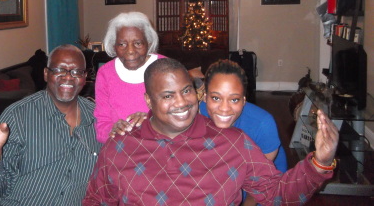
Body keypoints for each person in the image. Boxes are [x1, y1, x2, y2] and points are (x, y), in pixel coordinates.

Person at [83, 58, 339, 205]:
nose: (182, 102)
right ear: (148, 101)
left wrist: (321, 162)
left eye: (186, 91)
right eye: (168, 95)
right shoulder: (119, 148)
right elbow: (95, 200)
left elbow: (279, 193)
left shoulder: (233, 143)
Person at [0, 44, 102, 206]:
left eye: (76, 72)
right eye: (59, 70)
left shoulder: (98, 118)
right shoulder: (18, 116)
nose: (68, 77)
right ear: (46, 74)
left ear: (85, 77)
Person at [200, 59, 287, 205]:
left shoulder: (262, 124)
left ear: (244, 100)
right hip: (225, 170)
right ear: (204, 98)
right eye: (216, 98)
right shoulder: (197, 115)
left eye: (234, 100)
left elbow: (258, 185)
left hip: (262, 180)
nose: (224, 108)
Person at [94, 11, 164, 143]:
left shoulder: (165, 68)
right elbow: (101, 126)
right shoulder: (105, 73)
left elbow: (180, 117)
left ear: (148, 43)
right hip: (121, 151)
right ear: (114, 46)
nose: (130, 51)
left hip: (160, 149)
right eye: (122, 44)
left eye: (138, 43)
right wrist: (112, 130)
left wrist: (152, 121)